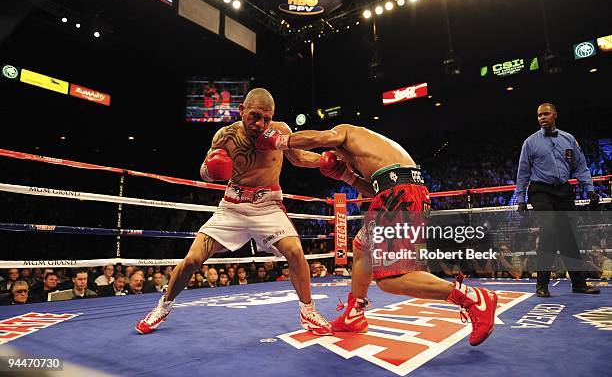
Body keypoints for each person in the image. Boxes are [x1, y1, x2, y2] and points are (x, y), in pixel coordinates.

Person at [257, 124, 498, 346]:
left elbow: (318, 139)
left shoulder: (344, 132)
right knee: (361, 245)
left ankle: (473, 298)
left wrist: (281, 141)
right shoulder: (371, 151)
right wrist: (346, 176)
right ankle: (354, 314)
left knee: (391, 280)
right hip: (397, 192)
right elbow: (374, 191)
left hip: (401, 193)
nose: (337, 159)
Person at [136, 88, 332, 335]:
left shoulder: (281, 131)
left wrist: (325, 160)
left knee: (295, 251)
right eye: (255, 116)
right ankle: (162, 308)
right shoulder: (225, 136)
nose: (261, 124)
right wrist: (214, 168)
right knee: (192, 260)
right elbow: (203, 172)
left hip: (267, 206)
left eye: (267, 119)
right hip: (232, 207)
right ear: (241, 111)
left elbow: (299, 158)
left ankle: (308, 312)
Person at [516, 103, 600, 297]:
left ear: (554, 114)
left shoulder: (568, 139)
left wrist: (590, 189)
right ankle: (542, 285)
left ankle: (578, 283)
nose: (542, 118)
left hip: (563, 190)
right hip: (540, 191)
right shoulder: (530, 142)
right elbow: (523, 172)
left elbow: (580, 166)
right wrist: (520, 198)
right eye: (539, 115)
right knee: (549, 230)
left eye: (545, 114)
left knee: (568, 235)